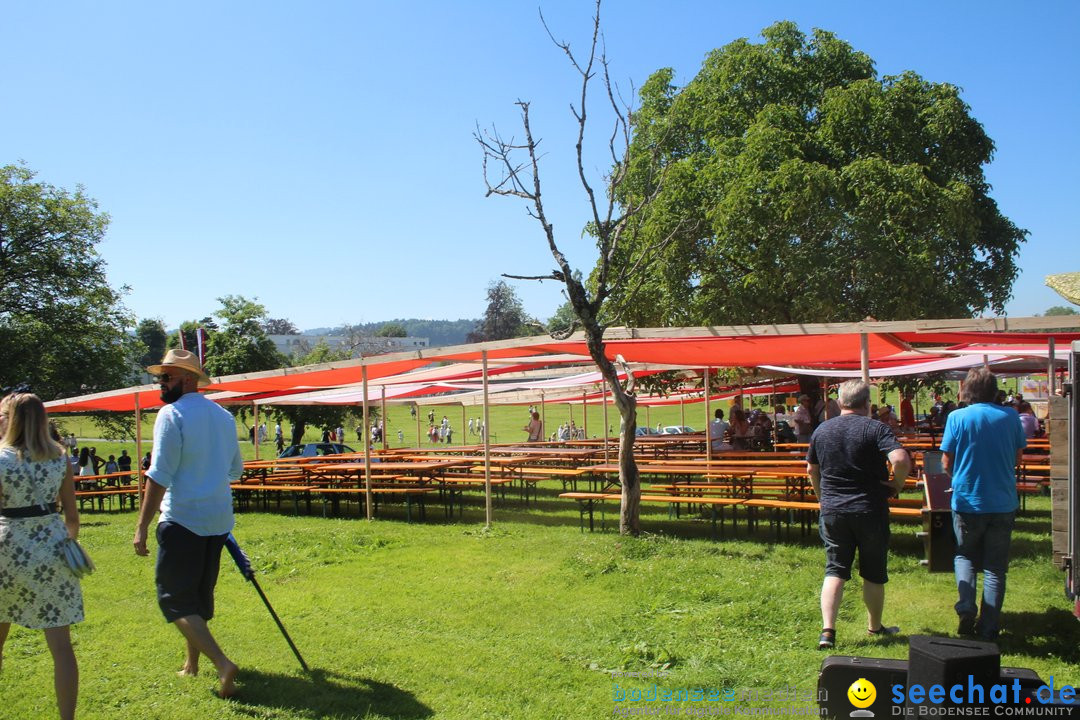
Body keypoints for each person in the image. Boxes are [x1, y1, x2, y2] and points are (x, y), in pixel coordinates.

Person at [133, 349, 242, 698]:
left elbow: (159, 474)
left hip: (183, 518)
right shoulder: (223, 417)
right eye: (161, 377)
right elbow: (235, 471)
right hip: (218, 518)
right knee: (197, 596)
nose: (160, 384)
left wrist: (141, 526)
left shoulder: (171, 414)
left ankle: (223, 663)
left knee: (175, 601)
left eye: (167, 377)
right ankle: (191, 663)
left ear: (189, 379)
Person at [807, 380, 911, 650]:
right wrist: (897, 484)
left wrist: (822, 498)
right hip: (869, 509)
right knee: (873, 572)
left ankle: (827, 631)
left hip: (833, 510)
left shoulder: (822, 430)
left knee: (835, 570)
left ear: (840, 403)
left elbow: (811, 470)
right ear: (867, 404)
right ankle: (874, 626)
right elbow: (900, 459)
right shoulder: (875, 428)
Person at [0, 392, 83, 720]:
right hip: (52, 549)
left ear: (14, 418)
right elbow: (72, 518)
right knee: (61, 647)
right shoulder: (59, 457)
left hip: (6, 548)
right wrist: (64, 544)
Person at [941, 368, 1026, 641]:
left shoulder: (956, 417)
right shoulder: (1011, 417)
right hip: (1002, 501)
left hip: (967, 499)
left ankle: (966, 606)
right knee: (995, 567)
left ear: (967, 390)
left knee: (965, 554)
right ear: (994, 390)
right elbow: (1018, 458)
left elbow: (946, 462)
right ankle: (988, 626)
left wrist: (958, 477)